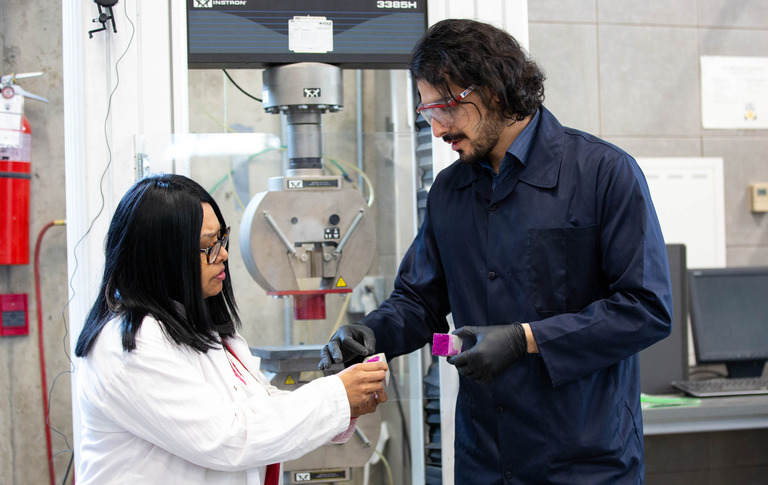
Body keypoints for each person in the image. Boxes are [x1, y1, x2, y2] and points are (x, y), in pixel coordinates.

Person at [319, 18, 672, 484]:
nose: (439, 127)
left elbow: (646, 308)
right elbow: (419, 301)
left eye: (446, 106)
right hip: (485, 460)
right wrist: (369, 333)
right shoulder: (449, 190)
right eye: (428, 112)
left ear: (494, 88)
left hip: (585, 460)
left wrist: (524, 339)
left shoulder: (603, 174)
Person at [74, 174, 388, 484]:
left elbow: (263, 412)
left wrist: (346, 401)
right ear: (161, 257)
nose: (223, 255)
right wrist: (336, 396)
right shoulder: (133, 346)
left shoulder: (203, 331)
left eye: (221, 239)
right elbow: (229, 438)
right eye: (207, 246)